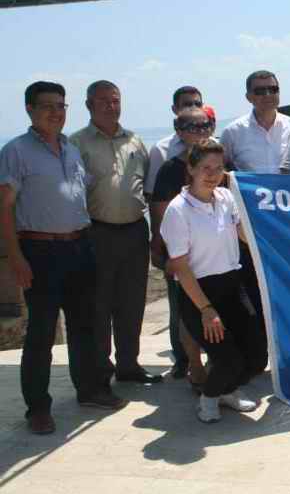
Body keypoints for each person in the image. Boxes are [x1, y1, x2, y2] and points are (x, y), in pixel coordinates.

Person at [0, 82, 127, 435]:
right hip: (40, 251)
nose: (56, 112)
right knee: (40, 334)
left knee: (84, 327)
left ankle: (89, 390)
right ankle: (37, 408)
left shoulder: (71, 149)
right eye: (47, 106)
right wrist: (16, 258)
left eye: (61, 105)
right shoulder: (16, 152)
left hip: (79, 247)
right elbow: (4, 209)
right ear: (29, 109)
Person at [161, 139, 265, 423]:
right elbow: (180, 267)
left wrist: (267, 249)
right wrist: (207, 310)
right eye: (205, 167)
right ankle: (209, 397)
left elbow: (242, 232)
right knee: (227, 358)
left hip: (232, 285)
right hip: (199, 293)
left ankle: (226, 391)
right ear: (191, 169)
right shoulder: (177, 210)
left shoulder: (226, 198)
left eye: (218, 168)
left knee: (256, 356)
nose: (212, 174)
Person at [70, 81, 160, 386]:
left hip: (135, 231)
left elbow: (146, 185)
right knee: (99, 305)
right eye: (103, 101)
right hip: (98, 233)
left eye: (115, 100)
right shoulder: (77, 144)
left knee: (132, 303)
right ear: (89, 106)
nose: (111, 106)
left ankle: (128, 366)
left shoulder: (135, 141)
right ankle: (100, 370)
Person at [151, 108, 217, 391]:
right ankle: (194, 365)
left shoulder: (224, 162)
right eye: (193, 126)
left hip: (217, 255)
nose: (201, 130)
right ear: (179, 131)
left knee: (219, 312)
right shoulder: (169, 169)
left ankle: (218, 365)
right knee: (188, 315)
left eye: (206, 125)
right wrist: (169, 255)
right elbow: (161, 214)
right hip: (184, 256)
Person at [220, 70, 290, 174]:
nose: (267, 95)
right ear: (248, 97)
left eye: (273, 89)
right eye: (260, 91)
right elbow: (221, 167)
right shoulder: (232, 133)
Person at [144, 86, 204, 196]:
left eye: (198, 104)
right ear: (174, 109)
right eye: (187, 104)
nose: (193, 108)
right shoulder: (160, 149)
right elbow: (151, 193)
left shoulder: (216, 145)